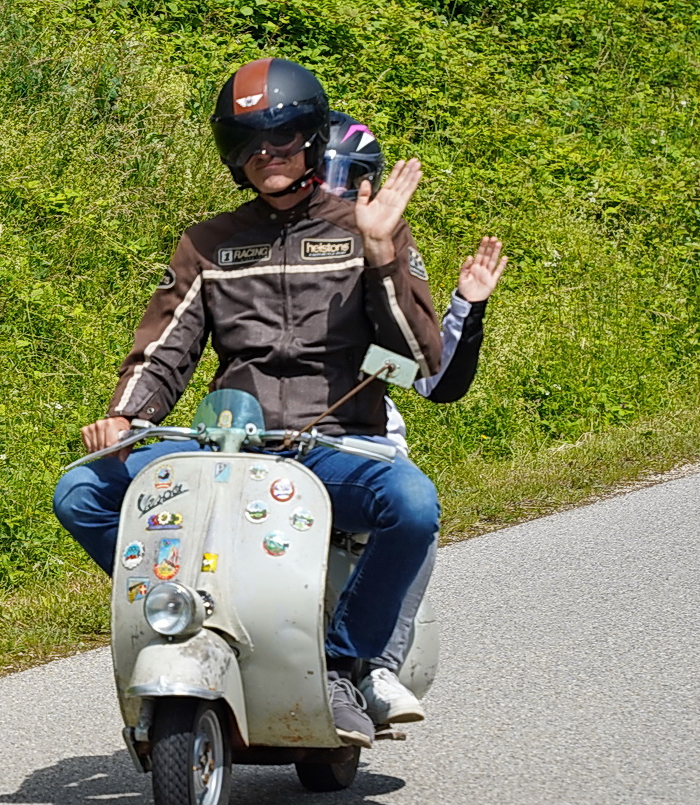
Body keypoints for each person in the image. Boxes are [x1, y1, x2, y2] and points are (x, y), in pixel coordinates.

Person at [52, 58, 444, 748]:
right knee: (81, 492)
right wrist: (125, 414)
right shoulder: (208, 244)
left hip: (331, 447)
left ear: (312, 138)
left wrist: (382, 251)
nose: (267, 153)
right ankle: (176, 606)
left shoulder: (364, 229)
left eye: (282, 136)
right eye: (248, 141)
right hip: (229, 448)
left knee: (412, 506)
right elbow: (164, 348)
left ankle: (345, 665)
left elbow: (419, 357)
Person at [316, 112, 510, 727]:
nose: (332, 189)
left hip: (362, 443)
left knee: (413, 506)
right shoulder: (255, 244)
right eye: (322, 174)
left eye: (347, 178)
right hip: (271, 437)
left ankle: (376, 665)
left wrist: (466, 308)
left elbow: (433, 380)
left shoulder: (394, 250)